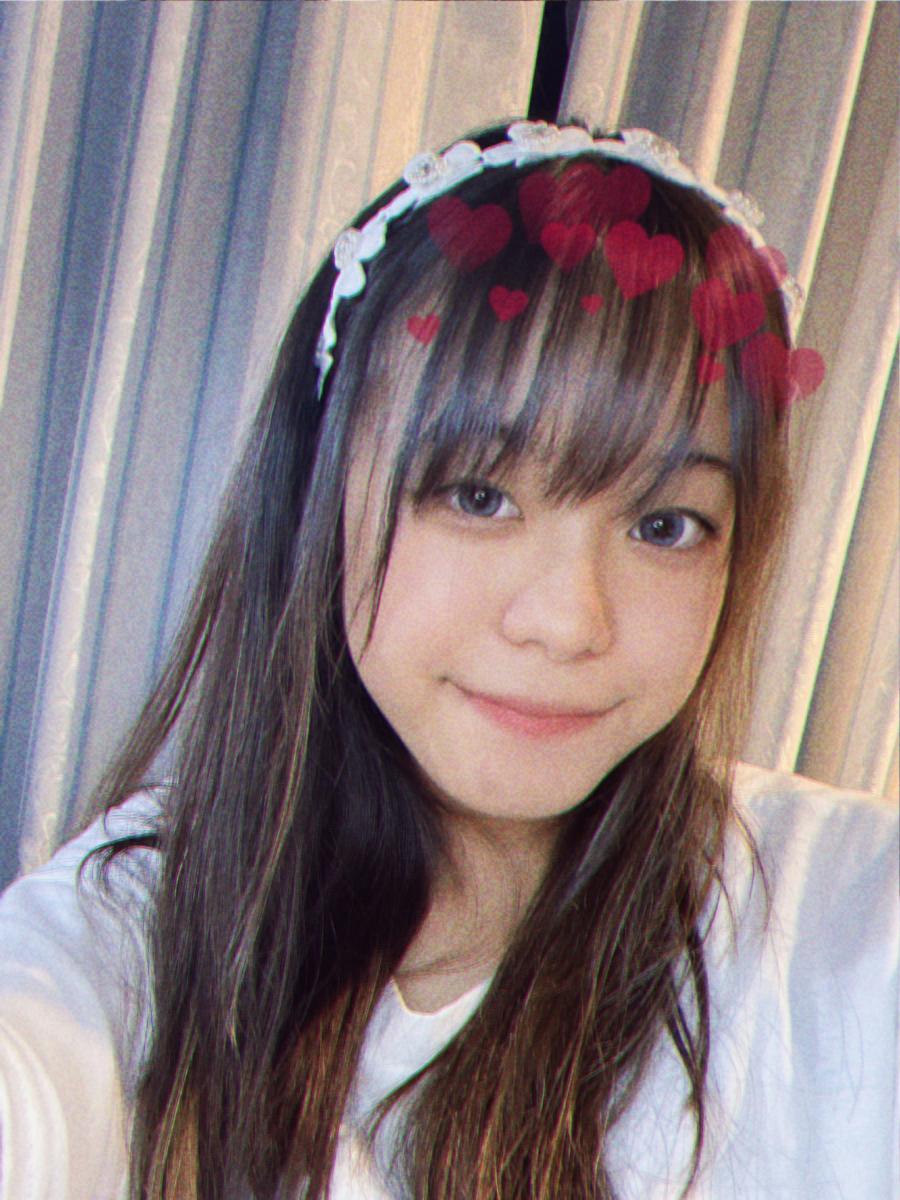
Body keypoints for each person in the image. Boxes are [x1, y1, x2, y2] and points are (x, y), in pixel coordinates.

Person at [0, 120, 896, 1200]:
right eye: (478, 496)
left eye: (666, 525)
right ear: (321, 497)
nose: (567, 622)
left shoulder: (837, 909)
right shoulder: (142, 929)